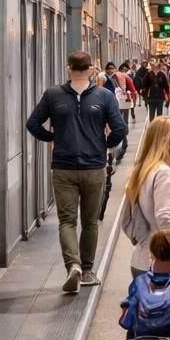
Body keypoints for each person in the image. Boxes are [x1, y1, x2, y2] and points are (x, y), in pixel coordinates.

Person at [25, 51, 127, 294]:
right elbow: (120, 129)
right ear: (92, 69)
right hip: (94, 168)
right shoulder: (104, 96)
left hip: (63, 168)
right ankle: (88, 270)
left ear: (68, 67)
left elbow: (32, 123)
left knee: (67, 221)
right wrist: (104, 146)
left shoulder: (53, 95)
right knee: (90, 221)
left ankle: (73, 265)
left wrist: (54, 138)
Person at [119, 116, 170, 296]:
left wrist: (143, 239)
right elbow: (164, 216)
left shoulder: (142, 172)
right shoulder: (164, 174)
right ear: (163, 140)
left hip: (142, 261)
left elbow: (125, 220)